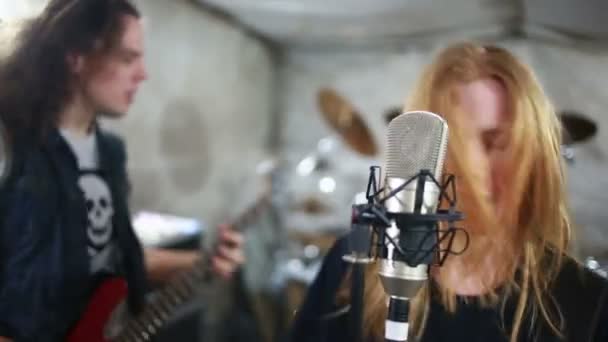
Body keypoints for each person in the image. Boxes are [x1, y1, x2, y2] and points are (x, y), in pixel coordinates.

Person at [288, 42, 608, 342]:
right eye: (455, 144)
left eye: (496, 142)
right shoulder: (351, 267)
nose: (475, 171)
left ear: (535, 156)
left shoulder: (589, 302)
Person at [0, 0, 245, 341]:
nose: (143, 74)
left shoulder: (110, 155)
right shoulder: (12, 146)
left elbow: (110, 262)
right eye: (128, 58)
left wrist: (201, 262)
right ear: (76, 57)